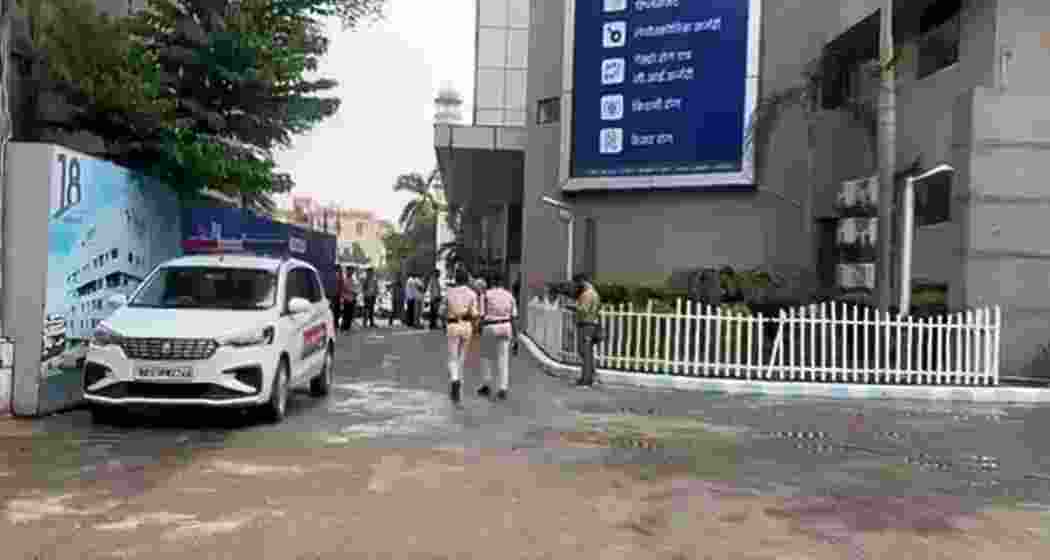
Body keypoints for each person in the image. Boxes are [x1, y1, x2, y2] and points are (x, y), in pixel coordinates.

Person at [476, 272, 518, 400]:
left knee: (486, 357)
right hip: (506, 327)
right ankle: (503, 388)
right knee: (503, 359)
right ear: (502, 283)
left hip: (491, 326)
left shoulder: (486, 295)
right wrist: (515, 337)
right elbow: (513, 318)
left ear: (492, 283)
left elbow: (482, 315)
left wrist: (479, 330)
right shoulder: (509, 296)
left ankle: (487, 385)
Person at [444, 268, 479, 403]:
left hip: (453, 325)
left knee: (452, 357)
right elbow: (475, 314)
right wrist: (475, 330)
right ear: (466, 279)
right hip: (466, 326)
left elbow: (443, 310)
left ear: (456, 279)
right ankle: (459, 383)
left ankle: (455, 380)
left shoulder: (449, 292)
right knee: (462, 357)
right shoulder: (472, 294)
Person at [571, 273, 602, 387]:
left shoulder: (587, 294)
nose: (578, 285)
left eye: (578, 283)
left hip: (586, 325)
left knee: (585, 352)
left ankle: (587, 379)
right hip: (591, 324)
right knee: (586, 353)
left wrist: (573, 307)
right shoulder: (594, 293)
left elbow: (583, 310)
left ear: (583, 281)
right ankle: (587, 377)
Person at [341, 266, 357, 332]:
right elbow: (343, 289)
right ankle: (343, 327)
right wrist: (350, 291)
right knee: (346, 314)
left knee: (350, 314)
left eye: (352, 271)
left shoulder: (353, 279)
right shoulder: (344, 279)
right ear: (347, 271)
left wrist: (355, 293)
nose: (351, 272)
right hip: (346, 299)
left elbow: (355, 288)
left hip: (352, 298)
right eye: (350, 270)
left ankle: (347, 327)